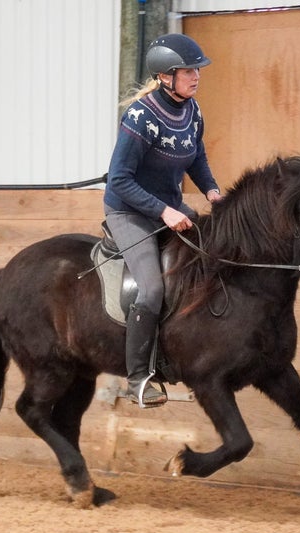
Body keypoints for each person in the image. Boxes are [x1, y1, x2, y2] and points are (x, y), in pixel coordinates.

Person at [104, 33, 224, 408]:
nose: (196, 76)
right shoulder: (141, 118)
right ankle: (138, 379)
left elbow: (196, 156)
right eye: (188, 70)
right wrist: (164, 211)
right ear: (165, 76)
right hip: (129, 212)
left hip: (169, 208)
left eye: (197, 69)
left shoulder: (193, 110)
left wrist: (212, 190)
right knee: (153, 289)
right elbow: (119, 180)